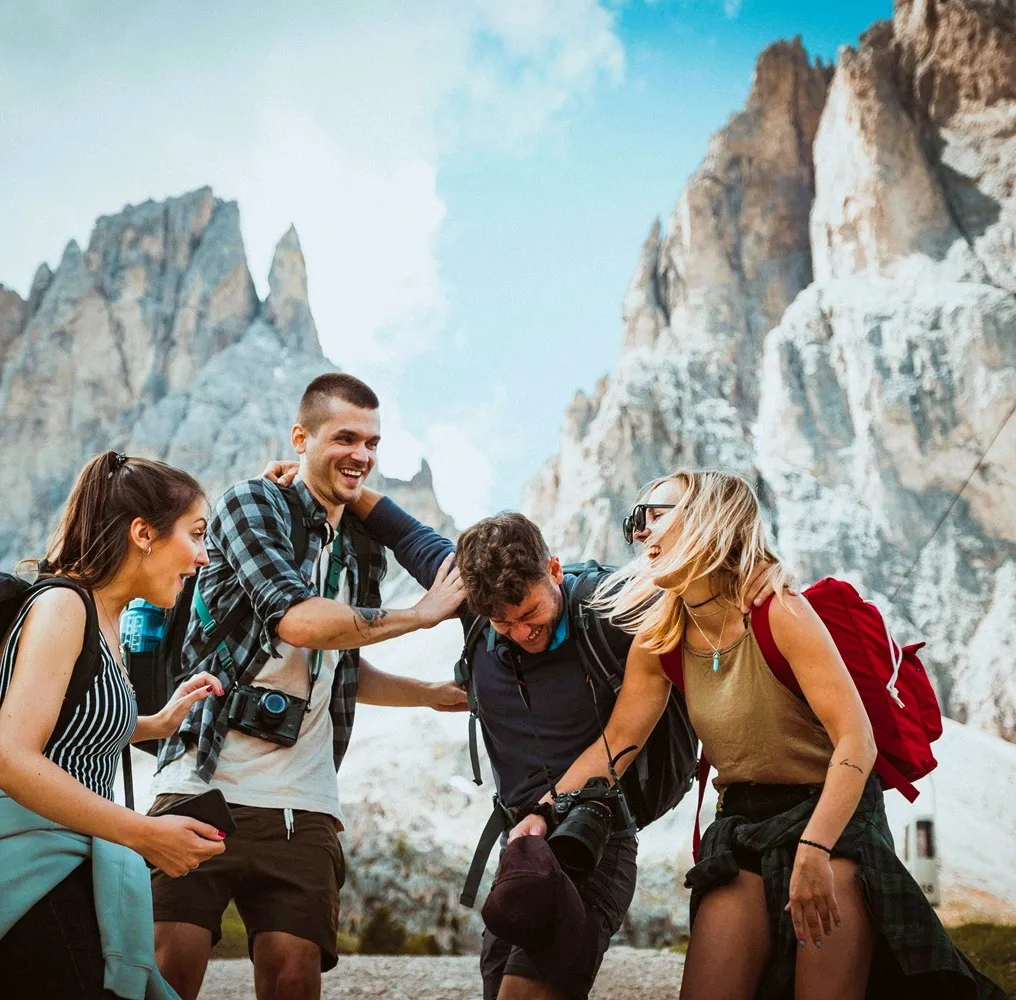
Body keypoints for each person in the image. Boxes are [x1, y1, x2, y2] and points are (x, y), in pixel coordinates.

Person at [257, 455, 776, 1000]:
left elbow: (703, 586)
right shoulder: (474, 604)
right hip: (522, 847)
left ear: (554, 571)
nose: (522, 633)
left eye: (530, 614)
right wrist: (322, 475)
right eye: (503, 623)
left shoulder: (610, 608)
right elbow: (404, 532)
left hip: (593, 838)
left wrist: (760, 573)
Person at [537, 468, 1006, 1000]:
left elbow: (857, 740)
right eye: (634, 521)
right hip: (742, 823)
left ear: (708, 518)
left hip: (832, 817)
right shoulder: (659, 638)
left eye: (653, 516)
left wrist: (816, 847)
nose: (639, 531)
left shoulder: (779, 611)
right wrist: (542, 812)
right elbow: (616, 743)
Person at [150, 374, 467, 1000]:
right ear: (301, 438)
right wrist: (420, 616)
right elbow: (297, 621)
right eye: (345, 437)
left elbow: (339, 664)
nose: (362, 454)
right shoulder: (250, 504)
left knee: (294, 979)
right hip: (203, 780)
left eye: (372, 443)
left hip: (306, 801)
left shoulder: (363, 547)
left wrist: (429, 694)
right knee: (168, 973)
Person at [0, 450, 229, 1000]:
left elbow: (68, 726)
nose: (202, 557)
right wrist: (146, 834)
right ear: (143, 533)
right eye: (196, 534)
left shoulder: (107, 618)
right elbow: (11, 756)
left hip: (75, 866)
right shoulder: (64, 605)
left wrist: (154, 723)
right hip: (33, 875)